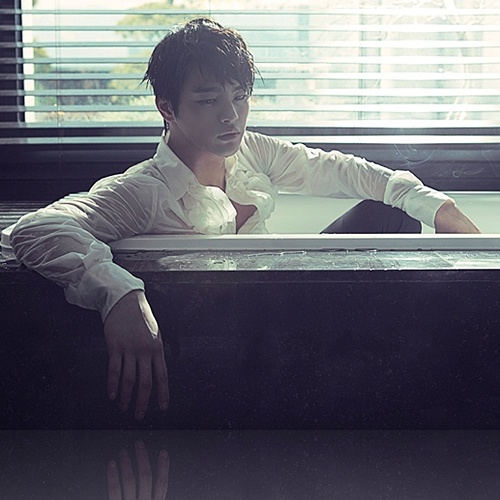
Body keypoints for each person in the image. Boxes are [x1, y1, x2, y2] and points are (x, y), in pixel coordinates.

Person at [10, 18, 480, 420]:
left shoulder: (250, 151)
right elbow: (35, 229)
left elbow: (339, 169)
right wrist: (119, 295)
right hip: (217, 340)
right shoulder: (145, 189)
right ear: (167, 108)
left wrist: (437, 206)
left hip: (284, 312)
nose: (230, 116)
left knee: (389, 213)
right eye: (208, 100)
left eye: (240, 96)